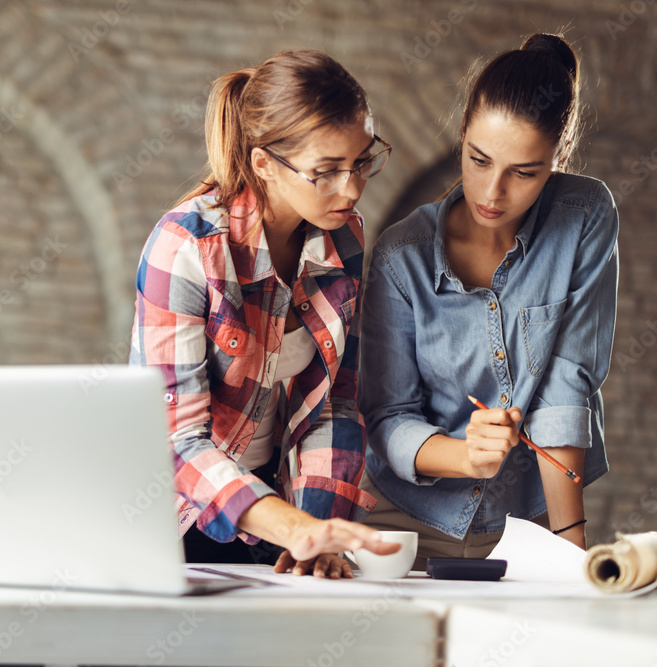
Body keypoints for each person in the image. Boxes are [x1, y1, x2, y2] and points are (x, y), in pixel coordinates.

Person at [129, 49, 399, 578]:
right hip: (166, 524)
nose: (353, 188)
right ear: (262, 164)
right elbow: (176, 443)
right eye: (325, 171)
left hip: (267, 521)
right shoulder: (185, 245)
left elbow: (333, 405)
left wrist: (318, 532)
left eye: (362, 161)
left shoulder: (344, 239)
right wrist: (295, 528)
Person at [358, 33, 618, 568]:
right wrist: (464, 456)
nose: (492, 193)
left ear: (559, 157)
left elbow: (565, 385)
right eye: (478, 160)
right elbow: (386, 416)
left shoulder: (585, 215)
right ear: (462, 136)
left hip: (529, 524)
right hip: (406, 522)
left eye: (524, 173)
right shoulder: (399, 257)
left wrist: (568, 554)